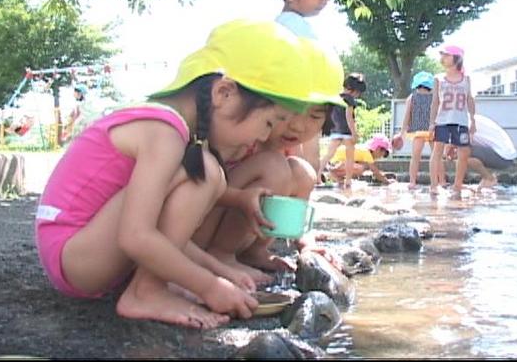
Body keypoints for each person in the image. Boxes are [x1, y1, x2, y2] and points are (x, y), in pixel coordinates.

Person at [34, 19, 317, 329]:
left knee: (210, 174)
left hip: (82, 254)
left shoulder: (169, 130)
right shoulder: (164, 131)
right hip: (76, 257)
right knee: (205, 172)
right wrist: (208, 287)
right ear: (223, 93)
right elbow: (137, 235)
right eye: (268, 123)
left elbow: (160, 228)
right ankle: (146, 292)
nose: (263, 139)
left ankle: (153, 286)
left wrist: (214, 271)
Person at [192, 36, 347, 282]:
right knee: (274, 167)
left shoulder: (283, 149)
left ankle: (254, 251)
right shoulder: (241, 137)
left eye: (314, 117)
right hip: (194, 232)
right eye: (290, 114)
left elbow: (298, 202)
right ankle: (221, 254)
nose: (297, 126)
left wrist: (305, 242)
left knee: (302, 172)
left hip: (224, 218)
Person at [428, 45, 476, 197]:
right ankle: (434, 185)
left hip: (461, 120)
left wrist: (473, 120)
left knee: (463, 152)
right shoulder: (438, 78)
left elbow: (470, 99)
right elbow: (435, 101)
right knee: (437, 151)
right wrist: (431, 123)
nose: (443, 58)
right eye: (442, 55)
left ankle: (457, 185)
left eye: (446, 55)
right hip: (442, 120)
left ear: (456, 58)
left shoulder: (466, 79)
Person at [317, 72, 367, 188]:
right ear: (355, 91)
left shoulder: (336, 98)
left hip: (335, 130)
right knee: (350, 157)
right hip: (347, 132)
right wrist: (354, 133)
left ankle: (318, 175)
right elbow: (349, 117)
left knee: (328, 154)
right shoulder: (350, 100)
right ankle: (348, 181)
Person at [399, 71, 446, 190]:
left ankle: (412, 182)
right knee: (437, 157)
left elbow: (407, 116)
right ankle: (442, 181)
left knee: (415, 157)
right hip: (433, 130)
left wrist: (403, 131)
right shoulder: (435, 97)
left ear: (417, 85)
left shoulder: (412, 97)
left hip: (417, 130)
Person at [444, 114, 517, 190]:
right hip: (505, 155)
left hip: (503, 157)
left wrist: (450, 147)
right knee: (462, 154)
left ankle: (489, 178)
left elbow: (463, 148)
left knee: (463, 153)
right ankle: (487, 178)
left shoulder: (465, 124)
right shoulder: (469, 119)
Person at [326, 134, 400, 185]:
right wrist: (387, 181)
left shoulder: (364, 150)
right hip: (335, 163)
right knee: (360, 169)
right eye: (384, 154)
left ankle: (339, 179)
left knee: (361, 167)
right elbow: (375, 171)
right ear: (378, 149)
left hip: (334, 162)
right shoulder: (367, 153)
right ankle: (333, 174)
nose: (382, 156)